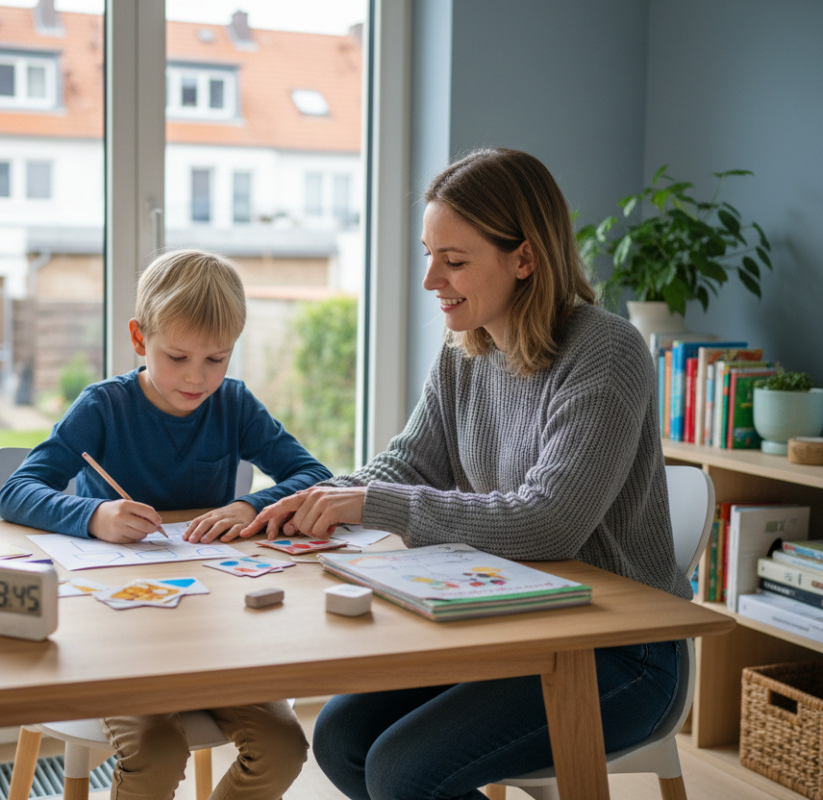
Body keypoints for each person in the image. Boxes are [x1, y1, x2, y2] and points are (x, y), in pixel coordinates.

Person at [238, 148, 692, 800]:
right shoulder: (466, 350)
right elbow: (404, 462)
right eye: (429, 254)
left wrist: (372, 505)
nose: (430, 280)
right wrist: (305, 500)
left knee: (402, 771)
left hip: (622, 651)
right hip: (515, 626)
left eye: (453, 261)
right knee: (341, 737)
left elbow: (549, 522)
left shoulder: (608, 354)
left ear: (525, 260)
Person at [0, 248, 329, 800]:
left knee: (284, 746)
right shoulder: (104, 407)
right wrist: (94, 514)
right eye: (177, 357)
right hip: (116, 630)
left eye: (216, 360)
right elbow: (17, 490)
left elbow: (314, 475)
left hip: (213, 626)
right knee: (155, 752)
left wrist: (250, 506)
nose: (197, 379)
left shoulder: (234, 404)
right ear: (138, 338)